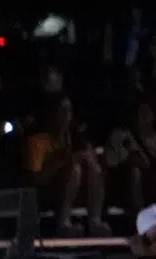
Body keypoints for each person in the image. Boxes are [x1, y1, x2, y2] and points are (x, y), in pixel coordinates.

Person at [21, 96, 104, 229]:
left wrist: (89, 158)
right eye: (62, 110)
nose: (66, 115)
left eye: (69, 110)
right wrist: (65, 162)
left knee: (95, 170)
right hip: (47, 193)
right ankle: (63, 223)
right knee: (74, 169)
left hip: (76, 192)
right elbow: (36, 179)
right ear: (52, 114)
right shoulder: (37, 141)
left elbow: (94, 166)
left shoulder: (75, 137)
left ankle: (95, 221)